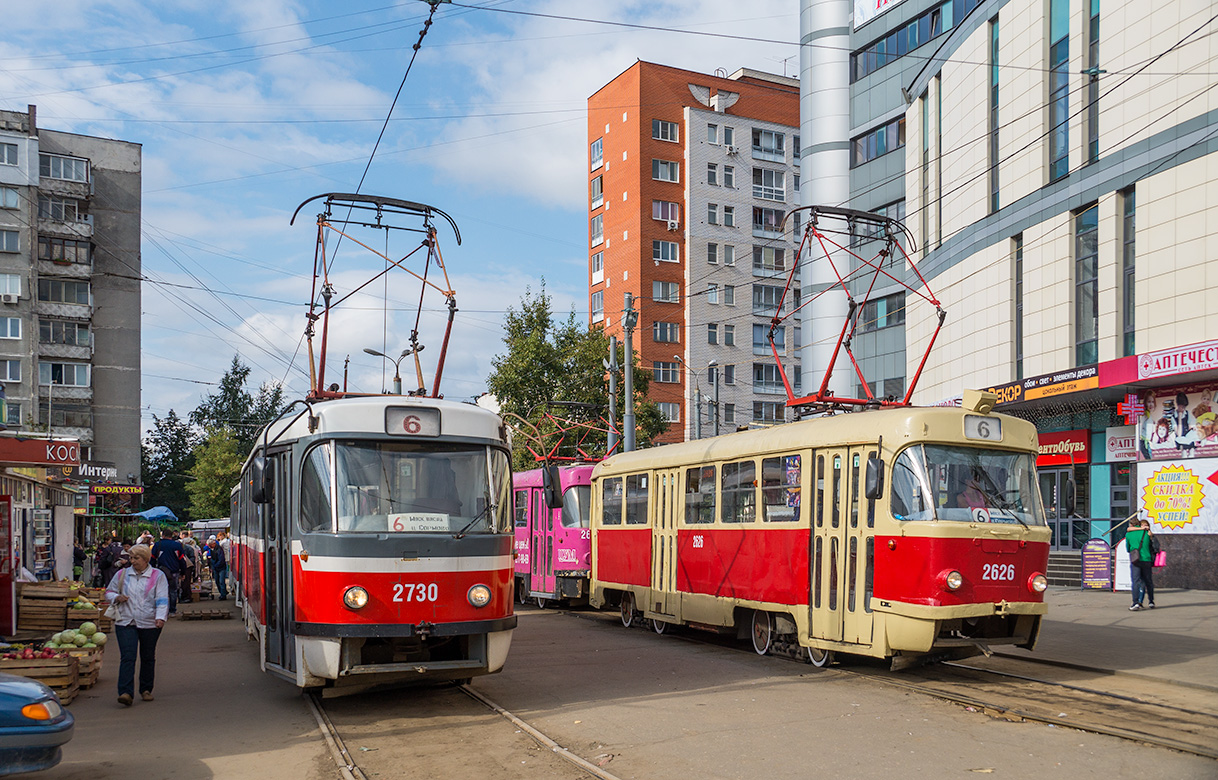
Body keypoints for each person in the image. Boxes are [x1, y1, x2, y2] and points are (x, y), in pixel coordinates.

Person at [105, 544, 169, 706]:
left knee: (147, 656)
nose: (132, 561)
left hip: (149, 622)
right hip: (125, 621)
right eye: (131, 558)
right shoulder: (122, 574)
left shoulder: (157, 576)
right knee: (128, 656)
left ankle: (146, 689)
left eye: (136, 558)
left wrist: (160, 617)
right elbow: (109, 592)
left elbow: (162, 598)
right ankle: (125, 692)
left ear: (146, 559)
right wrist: (116, 598)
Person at [150, 529, 188, 615]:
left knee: (159, 591)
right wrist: (183, 572)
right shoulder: (177, 545)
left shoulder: (157, 545)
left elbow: (152, 559)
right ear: (172, 536)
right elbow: (182, 560)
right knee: (173, 591)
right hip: (174, 571)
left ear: (162, 535)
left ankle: (161, 610)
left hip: (160, 571)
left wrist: (151, 570)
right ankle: (172, 610)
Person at [1125, 517, 1157, 610]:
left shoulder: (1128, 534)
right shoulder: (1147, 532)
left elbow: (1128, 548)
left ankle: (1135, 603)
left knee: (1136, 582)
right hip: (1147, 559)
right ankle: (1151, 601)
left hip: (1136, 560)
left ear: (1131, 525)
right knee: (1148, 582)